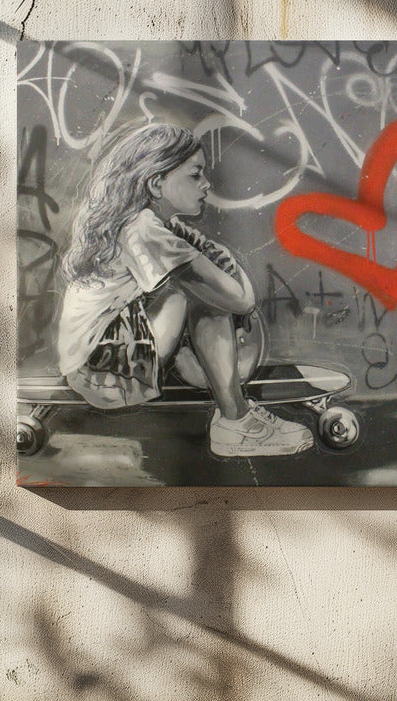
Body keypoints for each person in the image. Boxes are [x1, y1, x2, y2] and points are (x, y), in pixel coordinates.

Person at [57, 121, 313, 457]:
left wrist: (212, 260)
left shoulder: (150, 224)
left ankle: (230, 407)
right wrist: (224, 265)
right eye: (195, 174)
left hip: (93, 362)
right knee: (196, 294)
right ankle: (235, 421)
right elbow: (240, 299)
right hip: (104, 371)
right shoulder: (144, 229)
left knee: (187, 290)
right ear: (156, 182)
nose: (206, 185)